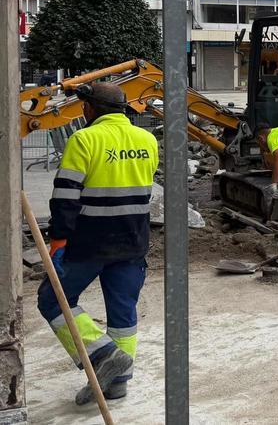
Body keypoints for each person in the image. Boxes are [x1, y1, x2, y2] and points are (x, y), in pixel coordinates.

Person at [38, 82, 157, 405]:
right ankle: (118, 383)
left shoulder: (84, 139)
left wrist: (58, 238)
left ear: (91, 108)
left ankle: (103, 354)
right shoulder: (147, 140)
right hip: (134, 241)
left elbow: (65, 195)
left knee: (52, 300)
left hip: (89, 242)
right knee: (123, 312)